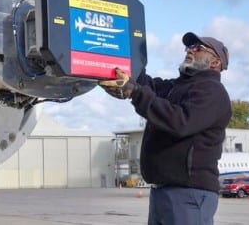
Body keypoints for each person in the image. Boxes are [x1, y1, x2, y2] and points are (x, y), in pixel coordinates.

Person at [99, 32, 231, 225]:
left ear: (215, 63)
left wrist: (135, 92)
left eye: (198, 48)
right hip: (163, 193)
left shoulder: (212, 91)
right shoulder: (174, 87)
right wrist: (113, 61)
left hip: (189, 194)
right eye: (189, 47)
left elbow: (180, 122)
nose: (190, 50)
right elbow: (145, 84)